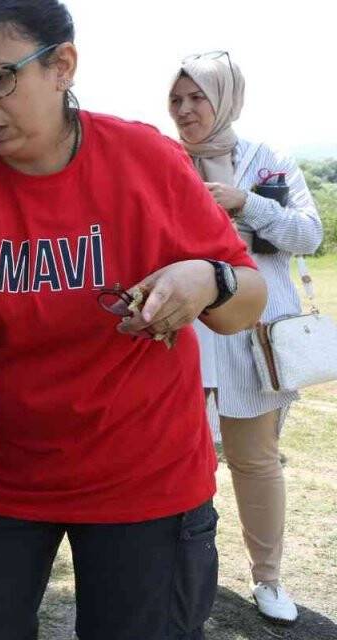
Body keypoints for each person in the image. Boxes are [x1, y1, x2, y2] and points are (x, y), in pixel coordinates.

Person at [0, 1, 269, 638]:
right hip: (3, 478)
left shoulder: (147, 159)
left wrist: (204, 279)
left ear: (62, 66)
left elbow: (245, 299)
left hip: (147, 479)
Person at [168, 51, 322, 626]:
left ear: (226, 98)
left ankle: (269, 578)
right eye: (176, 99)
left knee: (255, 462)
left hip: (253, 340)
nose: (184, 110)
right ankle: (187, 578)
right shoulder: (163, 161)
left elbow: (308, 236)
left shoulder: (268, 161)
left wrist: (246, 202)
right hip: (184, 337)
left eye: (196, 97)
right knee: (185, 463)